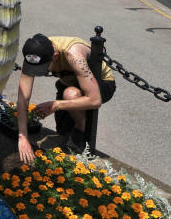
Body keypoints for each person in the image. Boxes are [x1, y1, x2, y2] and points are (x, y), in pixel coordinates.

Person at [15, 33, 117, 162]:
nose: (38, 72)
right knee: (62, 130)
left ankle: (80, 131)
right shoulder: (34, 54)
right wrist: (22, 137)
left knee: (70, 94)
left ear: (55, 56)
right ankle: (73, 126)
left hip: (100, 83)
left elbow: (94, 100)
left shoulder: (73, 54)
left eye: (43, 69)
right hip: (70, 81)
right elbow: (23, 98)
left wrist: (56, 105)